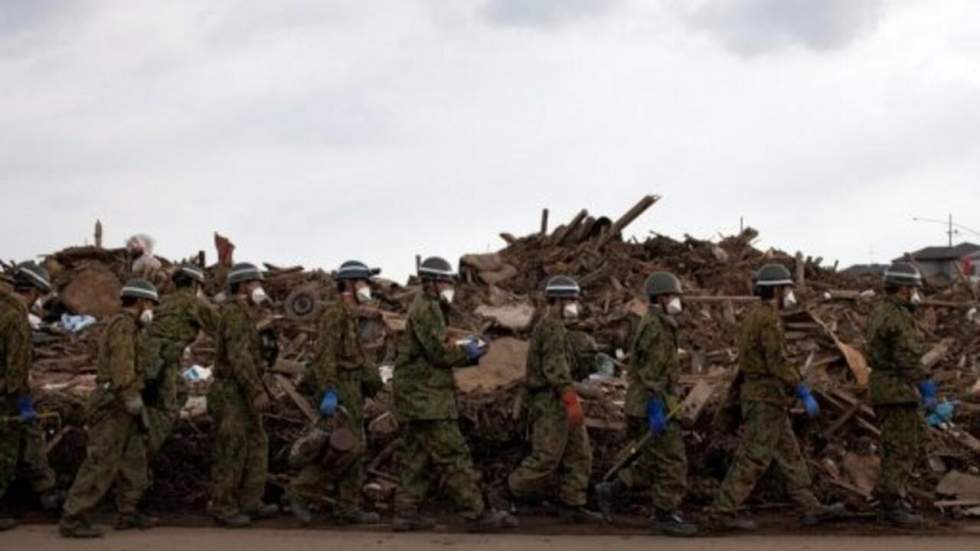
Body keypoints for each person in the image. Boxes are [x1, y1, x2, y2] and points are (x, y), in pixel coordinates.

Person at [708, 264, 842, 531]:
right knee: (754, 456)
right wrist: (800, 388)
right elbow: (776, 360)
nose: (789, 293)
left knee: (789, 454)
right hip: (764, 398)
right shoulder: (768, 319)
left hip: (766, 397)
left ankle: (809, 507)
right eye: (787, 288)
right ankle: (722, 511)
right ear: (777, 290)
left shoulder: (754, 315)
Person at [391, 256, 515, 532]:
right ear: (432, 282)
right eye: (446, 281)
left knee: (417, 455)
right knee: (453, 454)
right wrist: (468, 352)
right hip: (427, 399)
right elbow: (437, 352)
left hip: (417, 396)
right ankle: (475, 514)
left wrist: (461, 347)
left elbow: (433, 346)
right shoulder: (428, 308)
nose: (450, 287)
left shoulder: (426, 306)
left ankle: (406, 512)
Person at [596, 272, 697, 536]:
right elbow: (652, 373)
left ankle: (612, 490)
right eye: (673, 296)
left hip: (649, 402)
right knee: (673, 460)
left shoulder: (659, 322)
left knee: (654, 460)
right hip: (651, 404)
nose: (676, 300)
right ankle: (664, 516)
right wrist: (655, 406)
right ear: (661, 297)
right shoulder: (657, 327)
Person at [60, 279, 160, 538]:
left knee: (134, 458)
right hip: (114, 402)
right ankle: (73, 517)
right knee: (101, 460)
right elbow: (121, 367)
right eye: (149, 302)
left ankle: (128, 511)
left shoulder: (133, 328)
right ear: (138, 302)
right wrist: (130, 396)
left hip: (126, 400)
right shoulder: (123, 327)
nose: (151, 308)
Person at [289, 261, 384, 526]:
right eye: (364, 282)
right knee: (344, 447)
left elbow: (357, 357)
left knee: (356, 447)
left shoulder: (351, 315)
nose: (368, 287)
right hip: (339, 387)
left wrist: (372, 384)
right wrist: (329, 392)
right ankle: (300, 491)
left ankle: (347, 507)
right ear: (351, 285)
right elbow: (325, 357)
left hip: (352, 388)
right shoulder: (335, 316)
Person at [507, 276, 600, 523]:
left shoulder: (560, 328)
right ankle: (512, 494)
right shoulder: (551, 327)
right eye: (569, 300)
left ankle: (573, 503)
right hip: (549, 402)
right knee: (546, 456)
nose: (574, 305)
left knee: (579, 453)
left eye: (575, 300)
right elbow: (555, 370)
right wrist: (571, 400)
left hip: (560, 398)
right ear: (556, 301)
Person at [208, 263, 277, 528]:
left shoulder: (247, 314)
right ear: (241, 286)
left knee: (257, 443)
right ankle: (223, 507)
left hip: (243, 389)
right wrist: (256, 391)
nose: (258, 288)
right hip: (231, 391)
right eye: (253, 283)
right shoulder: (235, 314)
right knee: (232, 448)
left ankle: (251, 501)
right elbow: (239, 358)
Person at [867, 262, 931, 527]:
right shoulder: (898, 316)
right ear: (903, 289)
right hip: (897, 390)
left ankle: (892, 496)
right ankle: (890, 503)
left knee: (903, 443)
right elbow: (907, 356)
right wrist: (925, 384)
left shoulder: (879, 310)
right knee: (902, 447)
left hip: (887, 388)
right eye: (913, 289)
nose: (916, 294)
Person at [0, 262, 61, 531]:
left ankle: (47, 491)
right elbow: (17, 366)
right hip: (6, 395)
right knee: (7, 451)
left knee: (31, 434)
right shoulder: (16, 317)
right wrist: (23, 402)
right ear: (34, 291)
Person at [142, 263, 216, 457]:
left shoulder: (163, 301)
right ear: (194, 284)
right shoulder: (194, 302)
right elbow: (221, 329)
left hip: (145, 359)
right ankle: (141, 456)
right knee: (165, 409)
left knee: (178, 393)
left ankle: (147, 437)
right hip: (163, 362)